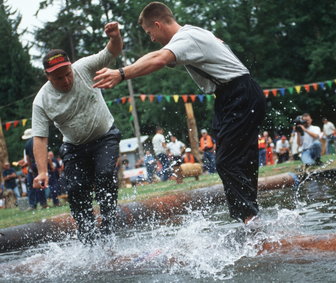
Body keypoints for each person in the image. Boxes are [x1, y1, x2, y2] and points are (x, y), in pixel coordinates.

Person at [92, 2, 266, 224]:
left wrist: (122, 74)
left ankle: (250, 220)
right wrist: (123, 70)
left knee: (227, 162)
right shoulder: (194, 33)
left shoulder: (186, 38)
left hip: (239, 94)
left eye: (149, 33)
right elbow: (156, 56)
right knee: (241, 159)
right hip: (231, 96)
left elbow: (159, 59)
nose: (152, 38)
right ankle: (252, 217)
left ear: (157, 24)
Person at [31, 22, 123, 244]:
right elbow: (40, 138)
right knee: (75, 189)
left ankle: (108, 229)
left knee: (104, 177)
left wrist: (115, 37)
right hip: (74, 146)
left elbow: (112, 51)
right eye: (58, 78)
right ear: (47, 76)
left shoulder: (84, 68)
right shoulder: (41, 101)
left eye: (67, 74)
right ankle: (88, 239)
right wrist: (42, 172)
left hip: (105, 138)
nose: (65, 81)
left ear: (71, 67)